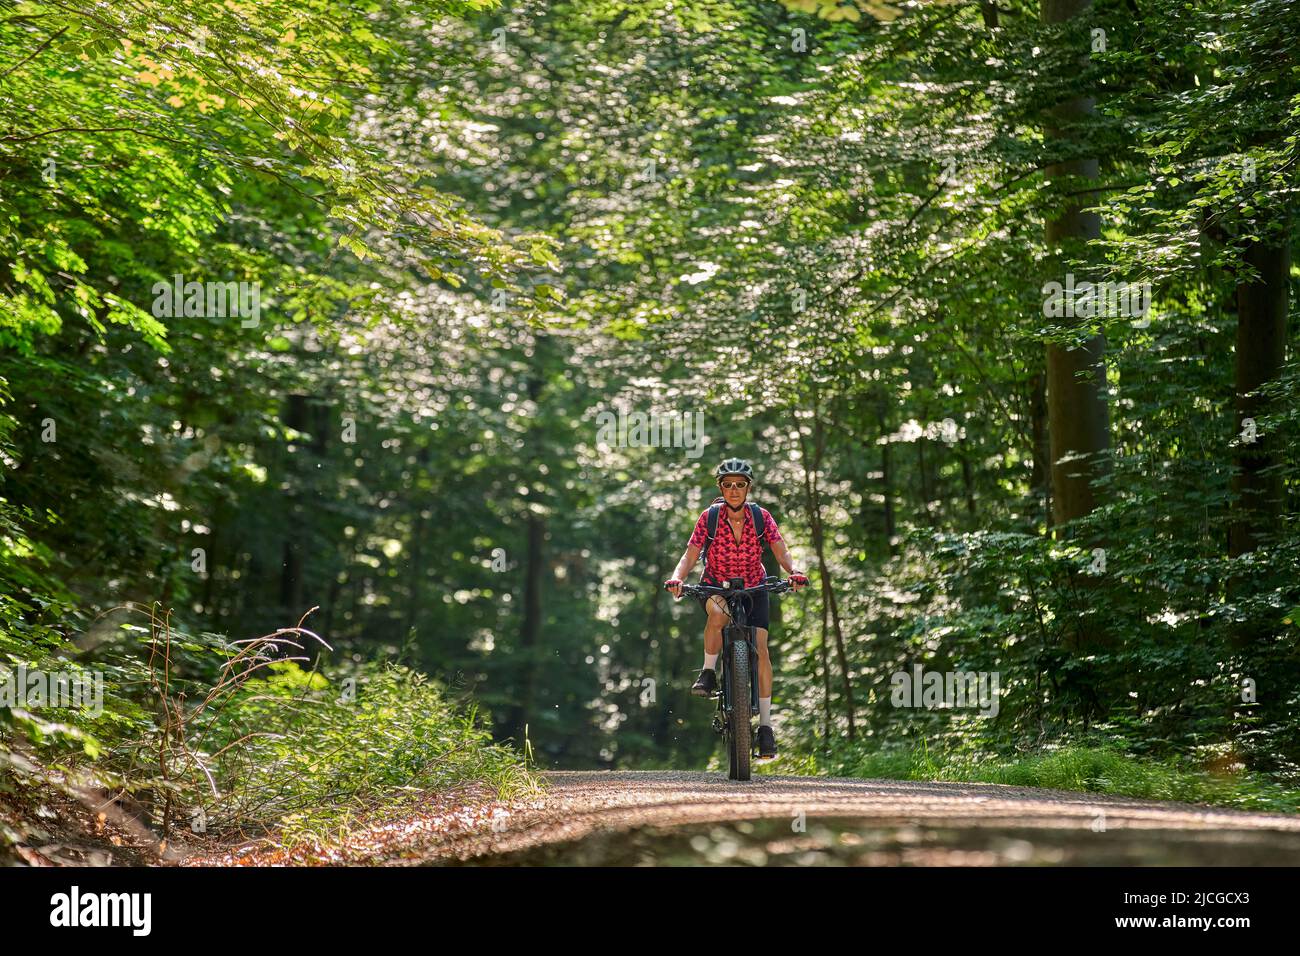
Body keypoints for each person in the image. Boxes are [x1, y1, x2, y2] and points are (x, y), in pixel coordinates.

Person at [663, 458, 807, 759]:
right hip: (716, 586)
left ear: (748, 488)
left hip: (754, 587)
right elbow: (690, 554)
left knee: (762, 648)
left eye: (740, 485)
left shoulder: (761, 517)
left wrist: (794, 571)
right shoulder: (710, 517)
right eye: (727, 485)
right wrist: (678, 578)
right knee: (718, 614)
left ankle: (766, 727)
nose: (734, 490)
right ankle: (708, 672)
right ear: (720, 488)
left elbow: (781, 549)